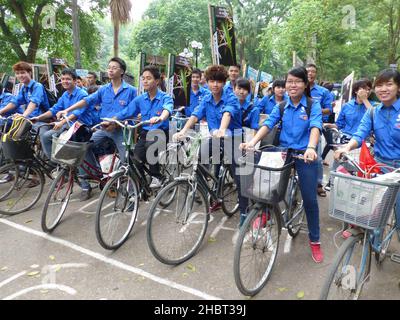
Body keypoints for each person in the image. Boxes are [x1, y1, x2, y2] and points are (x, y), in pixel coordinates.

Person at [240, 67, 324, 263]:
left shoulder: (313, 105)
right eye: (289, 81)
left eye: (297, 81)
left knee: (310, 199)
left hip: (305, 155)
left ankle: (315, 241)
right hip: (283, 152)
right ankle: (265, 213)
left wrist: (311, 147)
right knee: (267, 185)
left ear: (305, 84)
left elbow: (315, 127)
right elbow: (267, 124)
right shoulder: (280, 107)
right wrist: (252, 143)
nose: (292, 85)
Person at [175, 64, 247, 227]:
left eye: (219, 81)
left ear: (224, 82)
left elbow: (227, 113)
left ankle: (244, 211)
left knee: (240, 176)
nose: (215, 84)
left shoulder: (231, 97)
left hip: (233, 138)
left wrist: (222, 129)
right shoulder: (206, 98)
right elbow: (195, 115)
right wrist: (183, 131)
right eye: (211, 81)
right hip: (215, 137)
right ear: (206, 82)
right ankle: (206, 192)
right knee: (199, 160)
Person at [57, 57, 138, 200]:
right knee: (84, 147)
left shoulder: (131, 91)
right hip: (103, 129)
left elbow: (133, 111)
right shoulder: (103, 90)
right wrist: (68, 109)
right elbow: (87, 101)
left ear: (122, 72)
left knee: (127, 162)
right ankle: (97, 175)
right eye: (109, 67)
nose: (110, 70)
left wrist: (117, 121)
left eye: (114, 67)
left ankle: (132, 194)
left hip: (122, 131)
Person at [335, 69, 400, 238]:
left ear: (398, 87)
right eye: (379, 85)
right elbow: (360, 134)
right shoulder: (372, 112)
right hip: (378, 166)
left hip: (399, 170)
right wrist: (347, 148)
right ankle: (365, 232)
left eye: (389, 84)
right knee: (368, 208)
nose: (383, 89)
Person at [31, 69, 97, 200]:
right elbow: (54, 109)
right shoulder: (65, 95)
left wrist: (61, 122)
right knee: (46, 136)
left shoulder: (82, 94)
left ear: (74, 80)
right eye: (63, 79)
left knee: (75, 152)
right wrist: (38, 118)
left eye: (68, 79)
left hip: (82, 126)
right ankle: (59, 165)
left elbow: (78, 112)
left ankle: (85, 186)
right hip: (68, 125)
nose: (65, 81)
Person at [126, 65, 173, 188]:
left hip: (161, 132)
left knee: (150, 147)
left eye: (148, 78)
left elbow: (167, 109)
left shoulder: (165, 97)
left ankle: (156, 176)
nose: (145, 81)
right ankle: (142, 187)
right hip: (145, 133)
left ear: (157, 81)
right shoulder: (140, 99)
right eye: (143, 78)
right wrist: (113, 119)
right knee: (134, 160)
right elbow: (127, 111)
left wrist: (161, 118)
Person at [323, 79, 374, 191]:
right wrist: (330, 125)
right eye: (364, 88)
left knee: (360, 167)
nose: (367, 91)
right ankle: (332, 182)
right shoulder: (347, 106)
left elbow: (376, 119)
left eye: (369, 89)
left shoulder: (373, 106)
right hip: (345, 138)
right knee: (339, 158)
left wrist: (365, 100)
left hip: (364, 142)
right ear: (356, 90)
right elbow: (339, 124)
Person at [306, 63, 334, 197]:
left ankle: (318, 184)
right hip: (298, 128)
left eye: (312, 71)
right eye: (308, 71)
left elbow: (329, 109)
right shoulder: (298, 89)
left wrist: (315, 110)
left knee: (316, 158)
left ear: (316, 74)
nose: (310, 74)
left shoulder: (323, 92)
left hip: (315, 127)